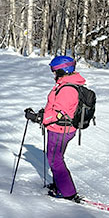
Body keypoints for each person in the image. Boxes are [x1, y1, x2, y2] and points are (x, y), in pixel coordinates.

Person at [24, 55, 86, 201]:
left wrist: (39, 118)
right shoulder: (66, 84)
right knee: (56, 158)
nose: (53, 74)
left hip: (60, 130)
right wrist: (41, 113)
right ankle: (60, 185)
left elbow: (61, 113)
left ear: (63, 70)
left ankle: (67, 192)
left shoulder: (67, 88)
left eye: (55, 70)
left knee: (55, 160)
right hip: (60, 129)